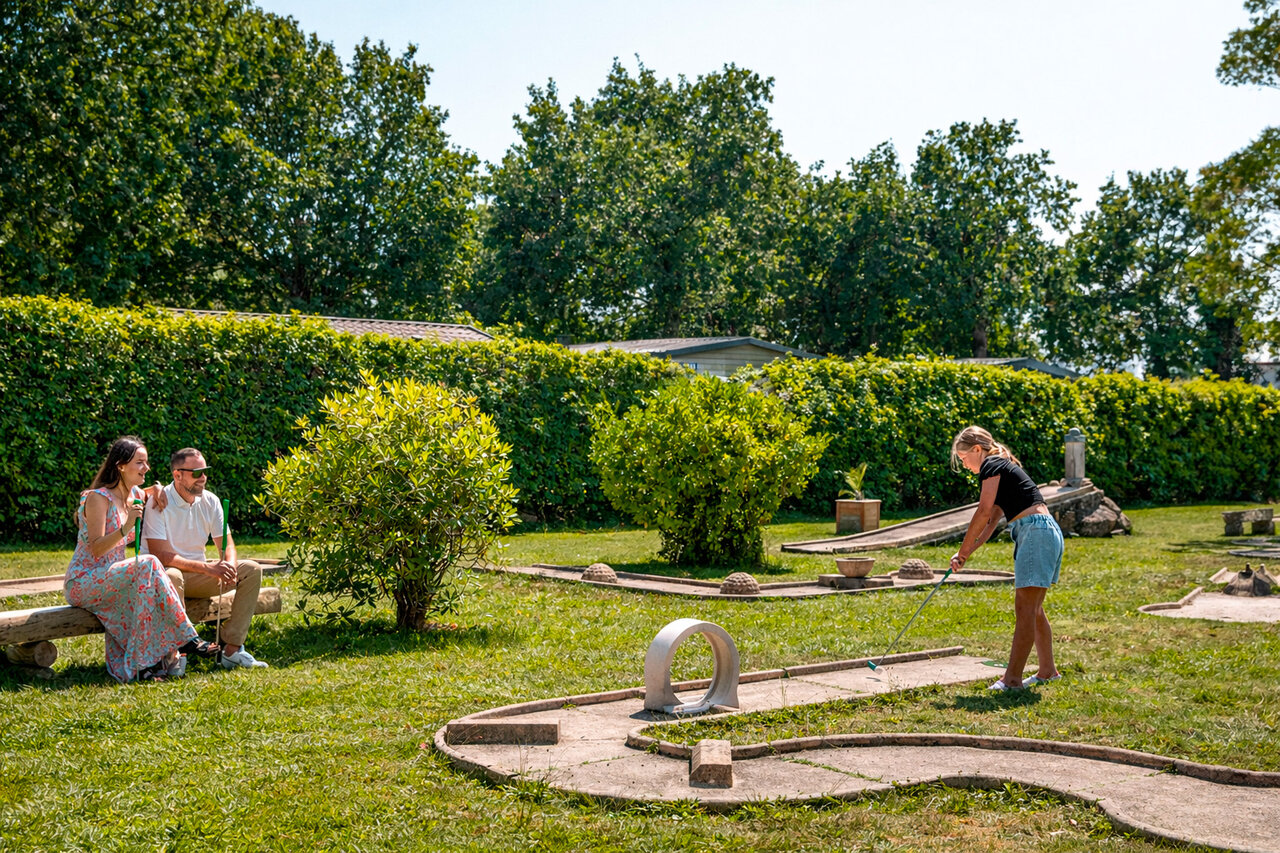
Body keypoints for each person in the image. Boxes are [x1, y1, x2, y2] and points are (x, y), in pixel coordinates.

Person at [65, 436, 220, 683]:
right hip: (85, 580)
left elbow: (151, 491)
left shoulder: (135, 493)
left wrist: (157, 487)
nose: (146, 468)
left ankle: (144, 668)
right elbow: (96, 549)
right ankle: (186, 638)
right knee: (148, 563)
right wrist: (126, 528)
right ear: (121, 465)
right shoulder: (97, 498)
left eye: (146, 462)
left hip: (115, 577)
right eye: (140, 462)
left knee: (145, 591)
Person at [949, 426, 1063, 691]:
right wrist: (964, 555)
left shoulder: (992, 464)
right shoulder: (1002, 468)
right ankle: (1047, 672)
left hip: (1035, 532)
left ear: (977, 450)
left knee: (1026, 610)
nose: (964, 465)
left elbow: (982, 511)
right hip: (1042, 531)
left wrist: (963, 551)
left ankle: (1012, 679)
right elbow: (990, 522)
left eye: (964, 458)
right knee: (1034, 610)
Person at [143, 447, 268, 670]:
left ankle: (232, 649)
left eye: (205, 471)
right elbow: (160, 555)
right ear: (177, 475)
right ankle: (176, 654)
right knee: (171, 574)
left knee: (251, 569)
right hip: (164, 578)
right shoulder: (159, 502)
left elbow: (226, 544)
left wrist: (228, 565)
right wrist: (208, 569)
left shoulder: (210, 500)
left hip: (198, 576)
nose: (203, 477)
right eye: (197, 472)